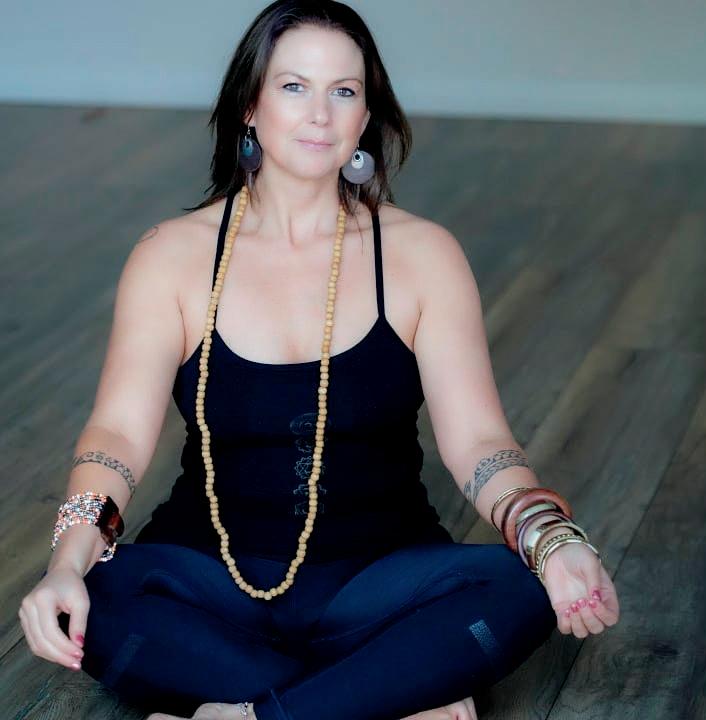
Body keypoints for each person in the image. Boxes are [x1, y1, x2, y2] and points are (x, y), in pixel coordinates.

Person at [18, 2, 620, 719]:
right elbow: (116, 435)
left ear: (365, 117)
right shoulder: (170, 256)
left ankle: (244, 707)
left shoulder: (423, 254)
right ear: (250, 105)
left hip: (377, 580)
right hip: (212, 577)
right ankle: (377, 691)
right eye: (294, 86)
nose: (320, 114)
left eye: (344, 91)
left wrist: (550, 540)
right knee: (98, 599)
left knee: (520, 589)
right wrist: (66, 563)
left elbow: (481, 445)